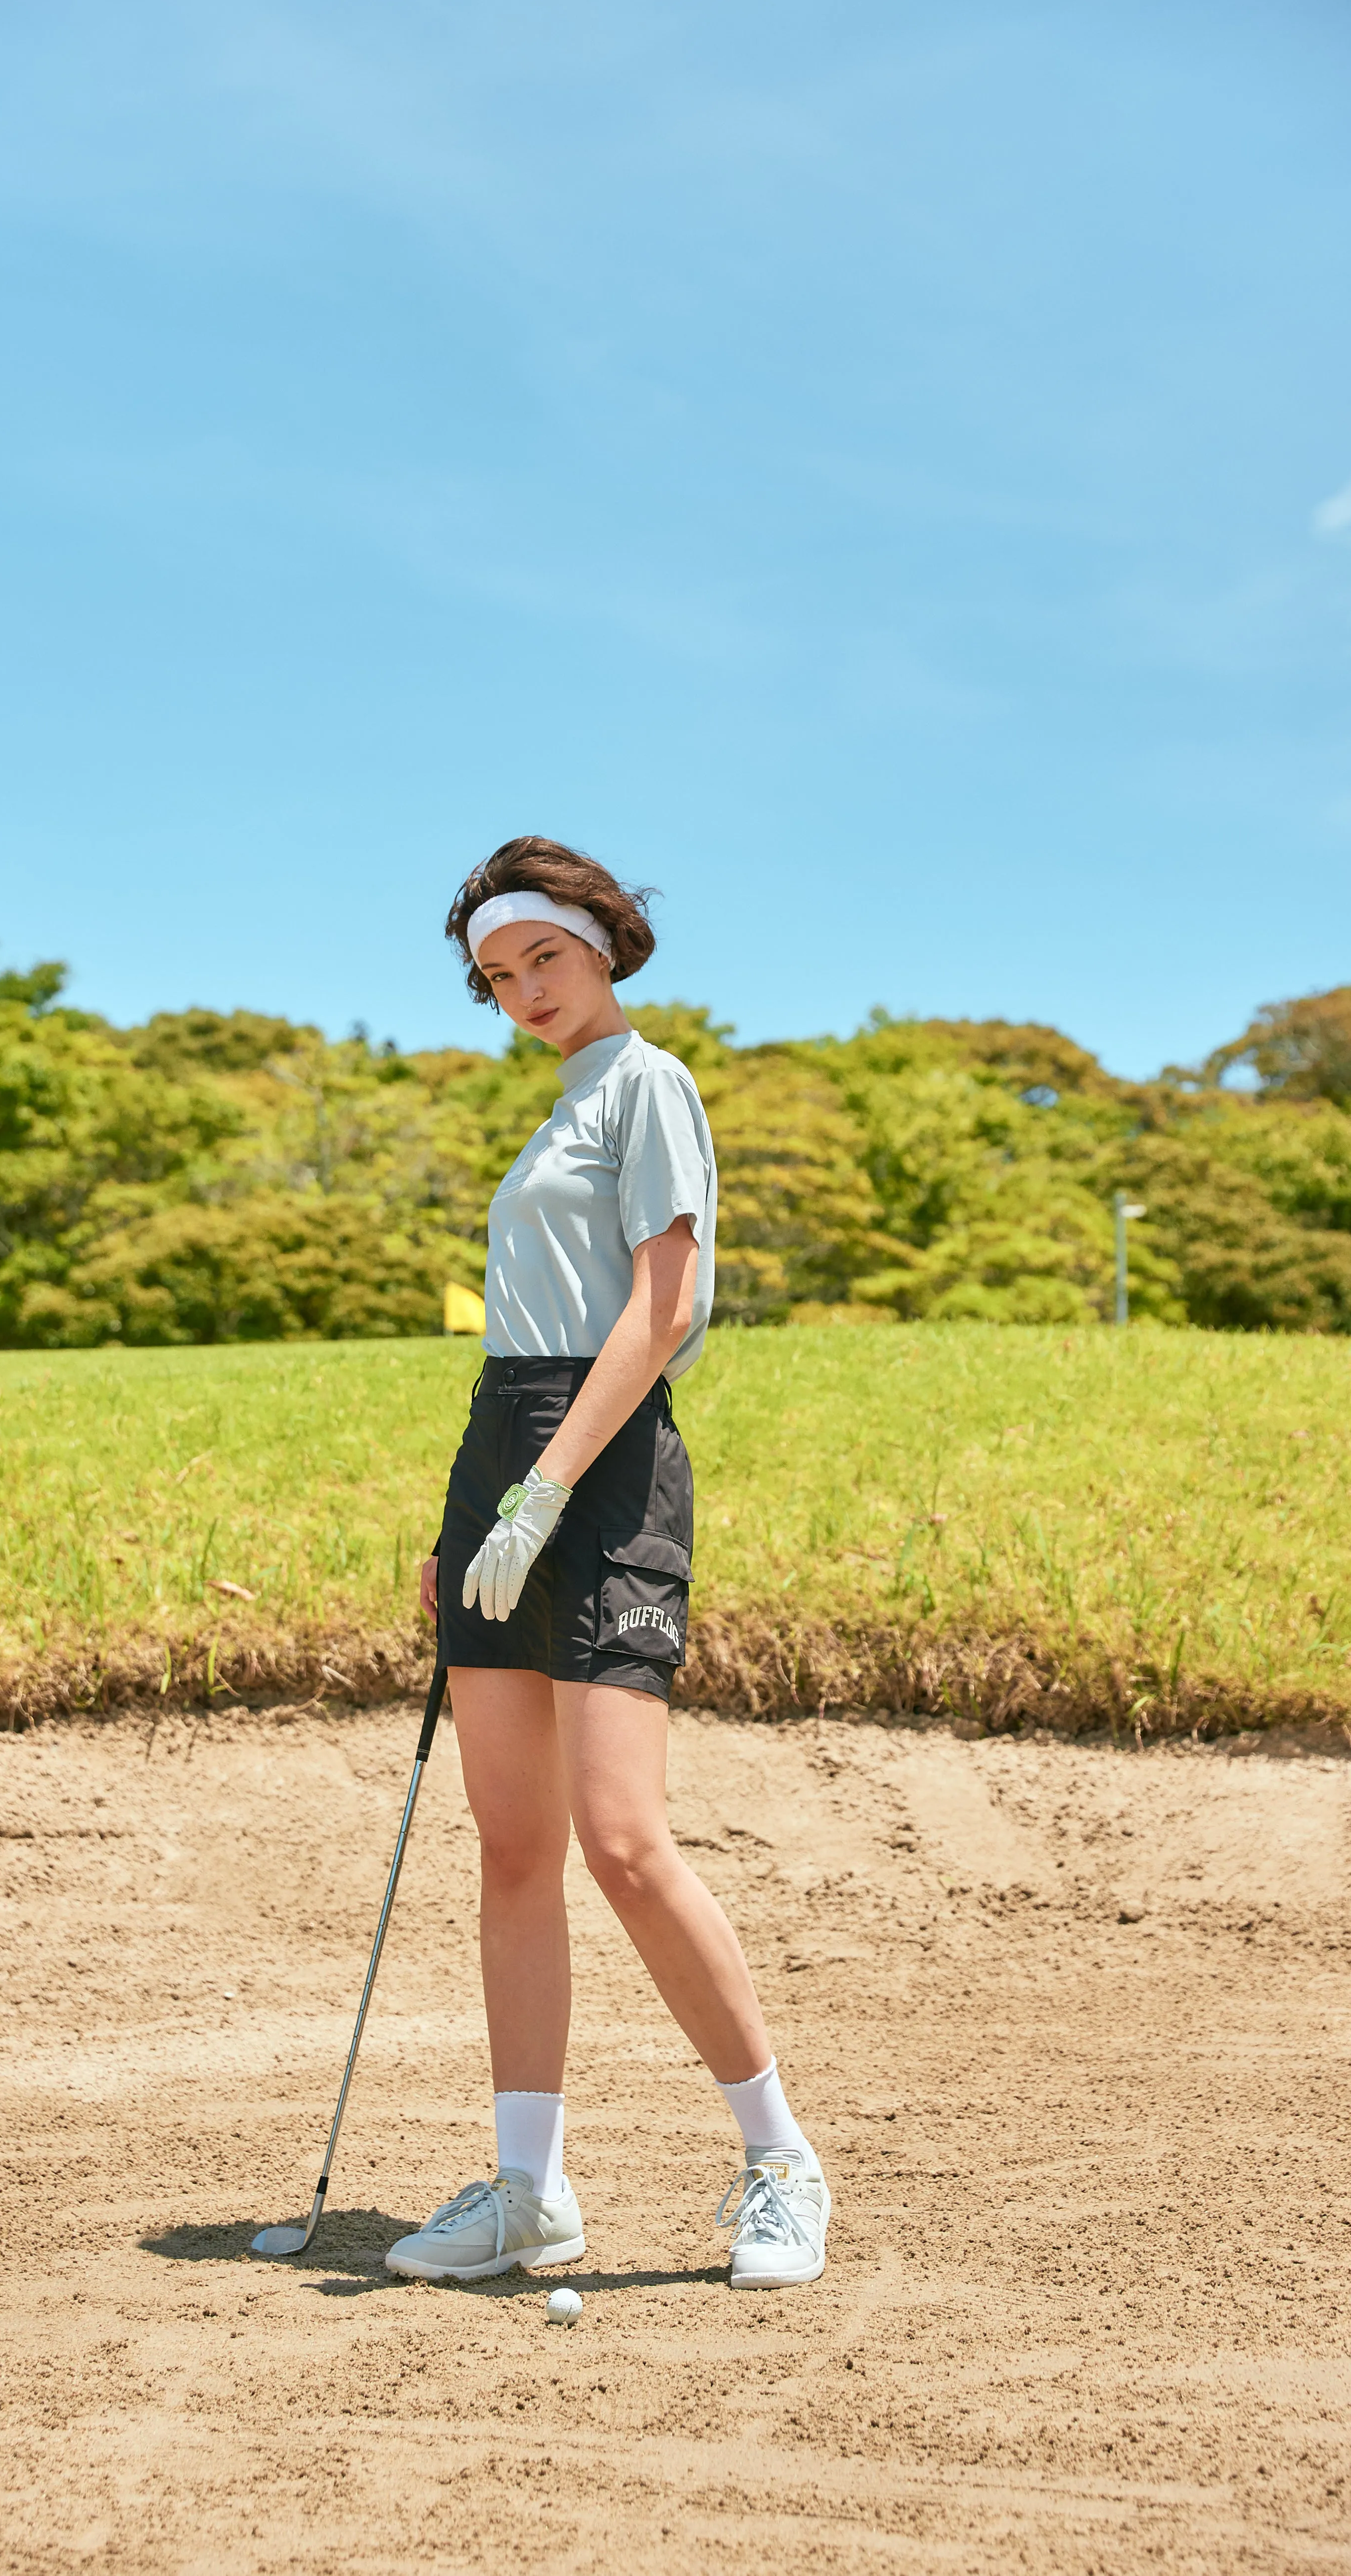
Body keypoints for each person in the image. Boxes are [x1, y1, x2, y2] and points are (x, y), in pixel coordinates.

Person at [384, 836, 830, 2293]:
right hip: (501, 1445)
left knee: (624, 1843)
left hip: (602, 1458)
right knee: (513, 1849)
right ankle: (527, 2192)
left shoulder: (648, 1083)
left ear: (602, 942)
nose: (522, 994)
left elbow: (663, 1308)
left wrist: (543, 1493)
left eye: (543, 963)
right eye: (496, 979)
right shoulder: (556, 1105)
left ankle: (777, 2161)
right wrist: (480, 1511)